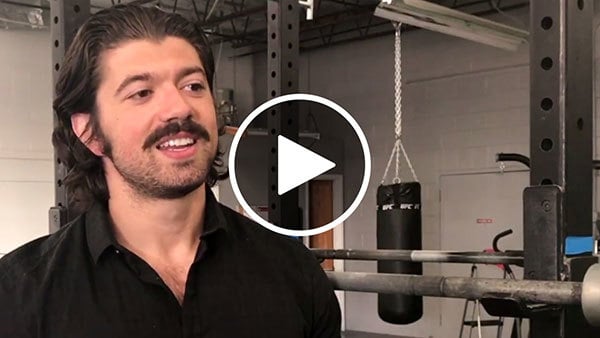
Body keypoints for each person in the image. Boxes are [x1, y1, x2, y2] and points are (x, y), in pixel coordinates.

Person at [0, 4, 341, 337]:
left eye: (193, 86)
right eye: (141, 93)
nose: (179, 107)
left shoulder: (295, 273)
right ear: (89, 132)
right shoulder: (18, 297)